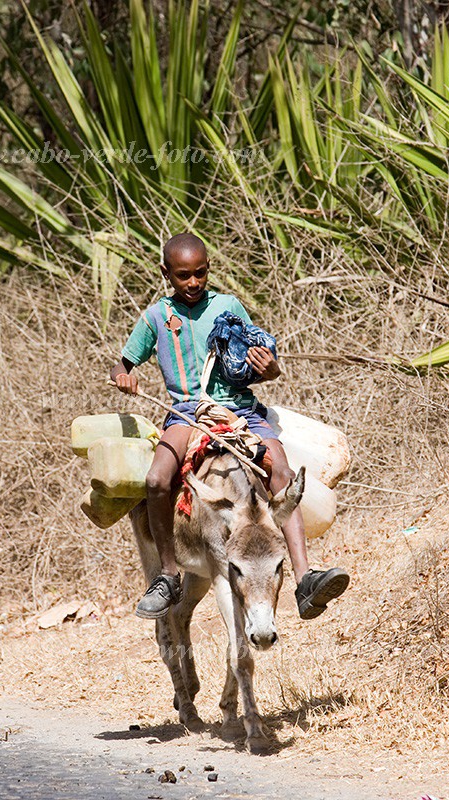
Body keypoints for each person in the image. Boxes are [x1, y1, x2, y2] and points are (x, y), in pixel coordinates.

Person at [111, 233, 349, 620]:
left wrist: (270, 369)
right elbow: (122, 363)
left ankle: (305, 579)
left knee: (283, 474)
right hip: (188, 414)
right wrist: (123, 376)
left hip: (241, 411)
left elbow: (260, 360)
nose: (193, 283)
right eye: (183, 276)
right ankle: (168, 577)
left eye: (200, 273)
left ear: (209, 269)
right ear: (166, 273)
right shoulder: (156, 317)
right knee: (157, 480)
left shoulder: (228, 305)